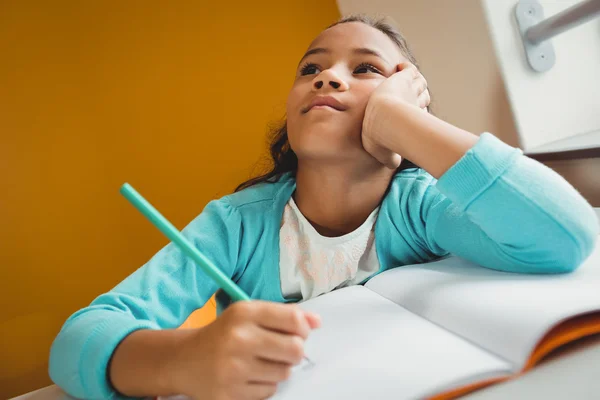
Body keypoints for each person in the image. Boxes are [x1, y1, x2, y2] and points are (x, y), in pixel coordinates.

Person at [49, 14, 599, 400]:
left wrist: (402, 125)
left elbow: (563, 236)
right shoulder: (237, 224)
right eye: (311, 69)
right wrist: (182, 361)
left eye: (367, 71)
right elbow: (80, 338)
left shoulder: (419, 210)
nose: (327, 77)